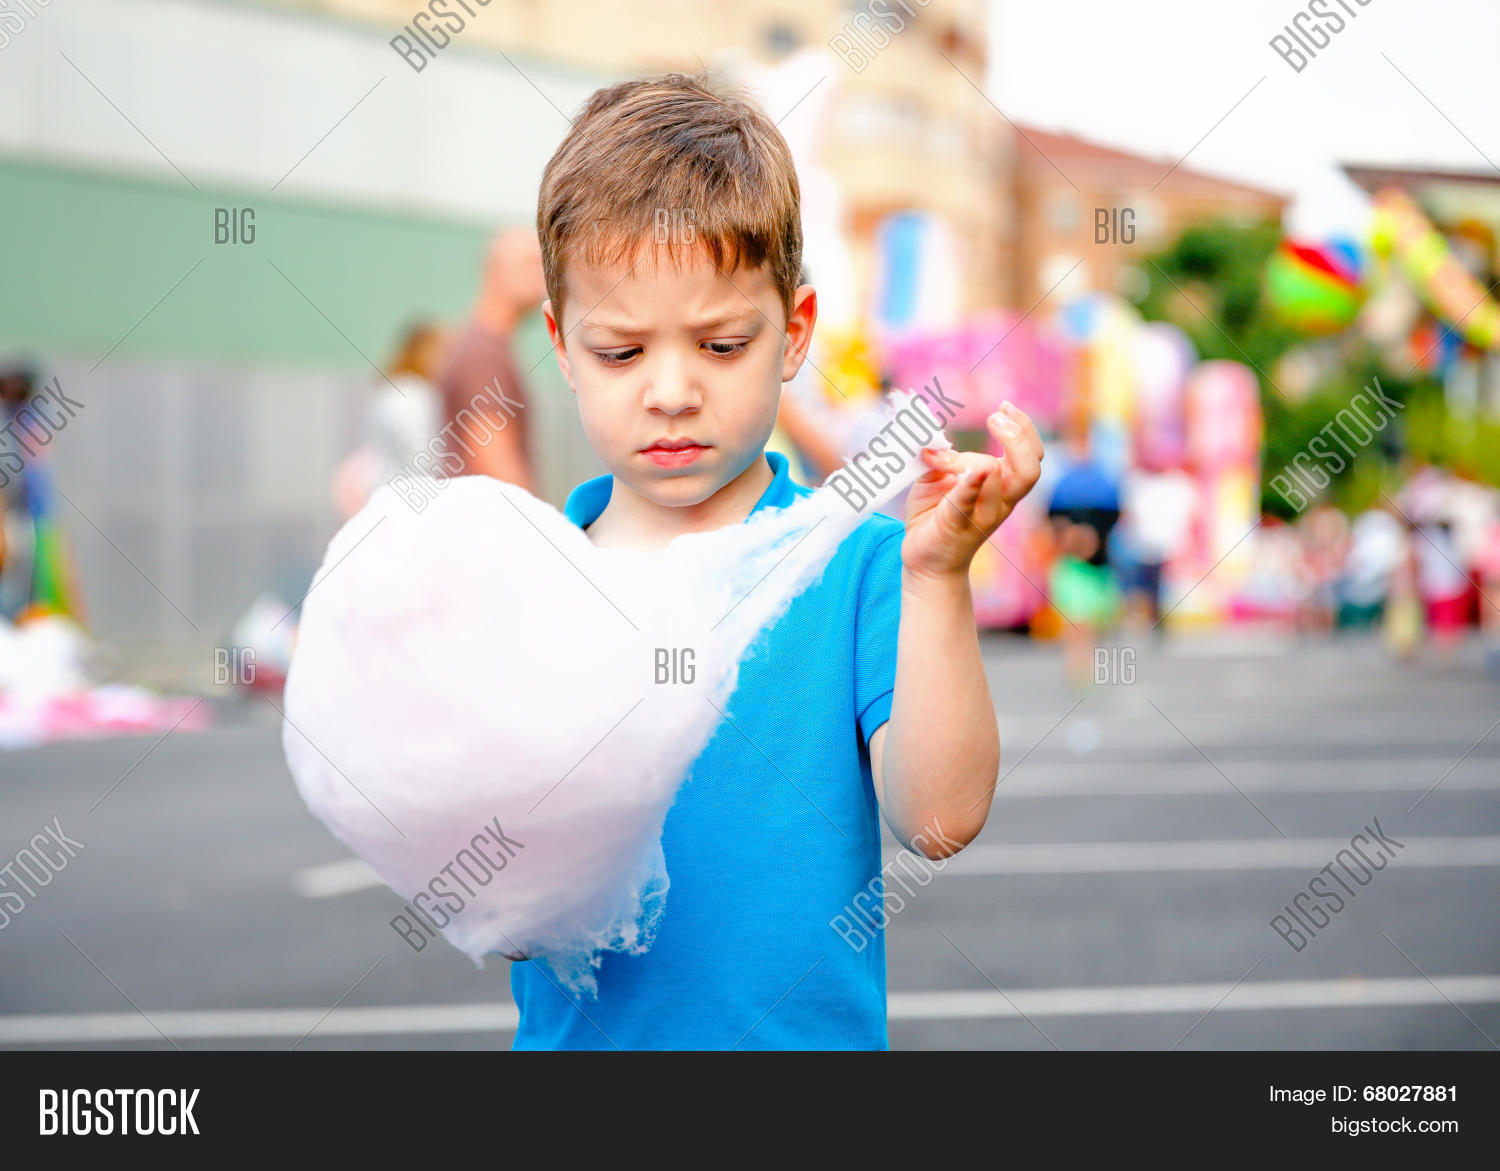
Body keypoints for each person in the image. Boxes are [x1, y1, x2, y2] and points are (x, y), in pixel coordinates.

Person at [509, 73, 1043, 1050]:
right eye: (622, 352)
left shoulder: (858, 564)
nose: (672, 391)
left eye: (720, 344)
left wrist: (938, 579)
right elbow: (505, 909)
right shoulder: (532, 583)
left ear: (794, 334)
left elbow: (940, 819)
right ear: (562, 344)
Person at [433, 227, 547, 492]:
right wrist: (535, 515)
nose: (542, 278)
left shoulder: (488, 346)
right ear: (495, 270)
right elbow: (495, 463)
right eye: (530, 264)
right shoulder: (482, 353)